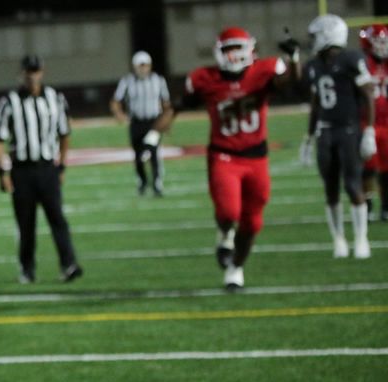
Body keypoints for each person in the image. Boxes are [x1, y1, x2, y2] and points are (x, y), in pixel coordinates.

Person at [166, 27, 301, 290]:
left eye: (237, 48)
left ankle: (236, 268)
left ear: (250, 49)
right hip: (224, 155)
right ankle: (224, 234)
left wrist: (295, 58)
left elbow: (290, 84)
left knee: (253, 223)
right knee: (228, 212)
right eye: (228, 49)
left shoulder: (265, 70)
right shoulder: (206, 77)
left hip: (257, 158)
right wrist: (157, 130)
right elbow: (184, 102)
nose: (233, 55)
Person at [0, 54, 81, 284]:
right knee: (26, 223)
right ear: (21, 74)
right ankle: (27, 268)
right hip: (21, 171)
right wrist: (2, 172)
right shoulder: (10, 101)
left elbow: (65, 133)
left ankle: (68, 264)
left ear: (42, 72)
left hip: (47, 169)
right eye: (28, 71)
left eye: (36, 71)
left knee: (58, 218)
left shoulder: (55, 98)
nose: (32, 76)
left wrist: (62, 165)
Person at [301, 15, 376, 259]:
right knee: (330, 189)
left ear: (327, 34)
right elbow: (315, 104)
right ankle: (339, 239)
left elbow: (368, 95)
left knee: (353, 185)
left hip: (348, 130)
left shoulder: (351, 59)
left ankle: (361, 238)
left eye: (316, 35)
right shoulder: (314, 65)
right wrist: (308, 137)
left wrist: (369, 130)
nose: (312, 40)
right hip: (325, 131)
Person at [110, 50, 173, 196]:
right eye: (140, 65)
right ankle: (143, 181)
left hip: (153, 122)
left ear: (150, 66)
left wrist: (167, 121)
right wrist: (119, 114)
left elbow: (166, 103)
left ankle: (157, 183)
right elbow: (116, 100)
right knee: (138, 156)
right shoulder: (127, 81)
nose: (143, 68)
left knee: (153, 151)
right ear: (134, 66)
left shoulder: (158, 80)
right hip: (136, 122)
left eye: (145, 65)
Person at [361, 23, 388, 222]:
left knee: (387, 169)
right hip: (366, 123)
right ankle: (368, 206)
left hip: (387, 123)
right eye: (378, 41)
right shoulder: (362, 63)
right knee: (368, 168)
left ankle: (386, 207)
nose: (383, 46)